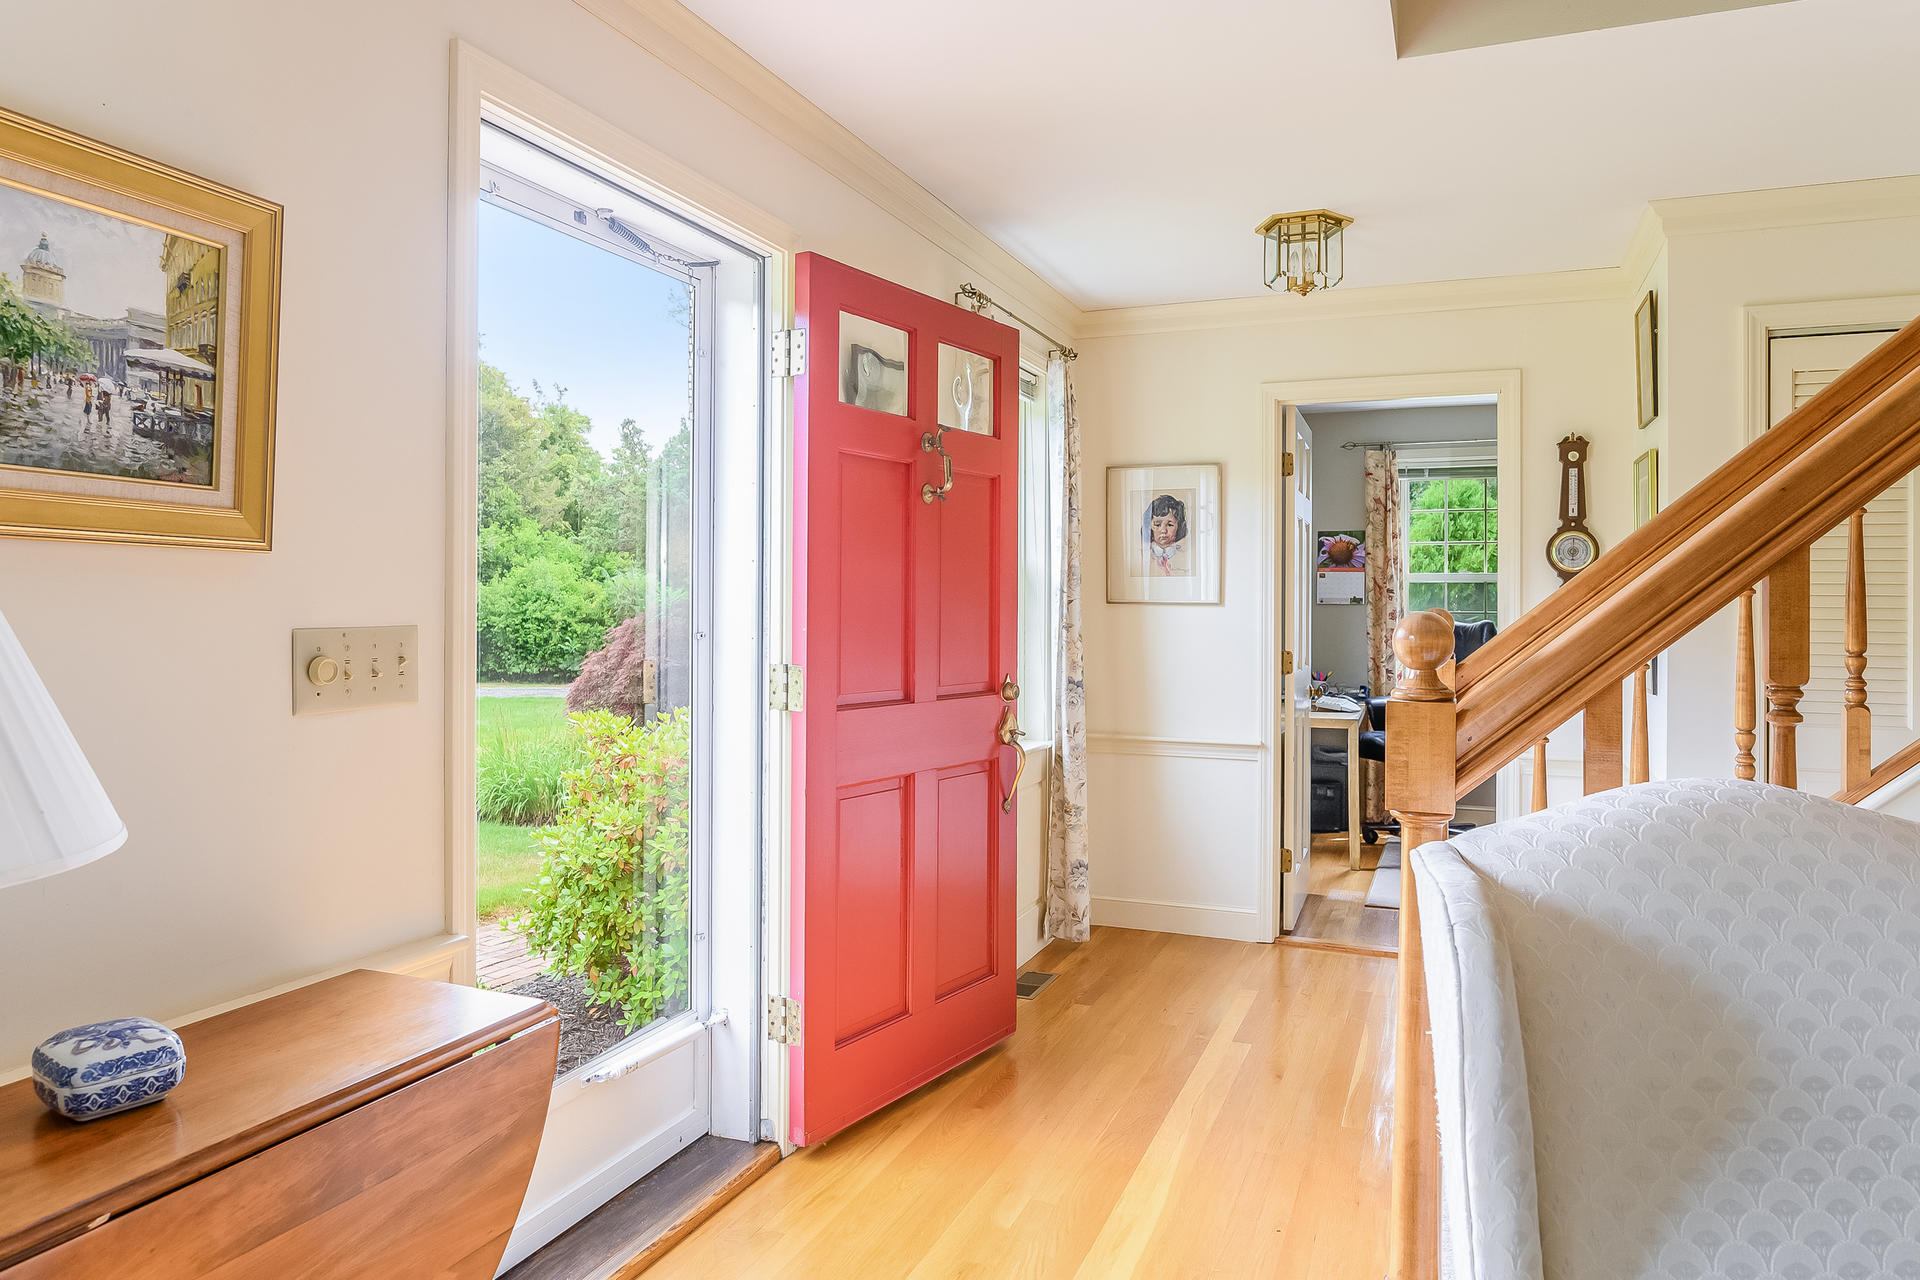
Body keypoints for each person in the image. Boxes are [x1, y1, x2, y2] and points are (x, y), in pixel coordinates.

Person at [1141, 492, 1191, 576]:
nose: (1163, 530)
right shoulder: (1143, 557)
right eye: (1157, 525)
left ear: (1179, 526)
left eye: (1170, 525)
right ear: (1149, 526)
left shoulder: (1186, 557)